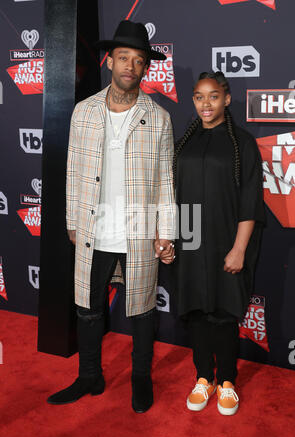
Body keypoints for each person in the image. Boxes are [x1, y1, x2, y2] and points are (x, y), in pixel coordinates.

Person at [47, 20, 175, 413]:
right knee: (88, 308)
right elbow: (72, 170)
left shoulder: (159, 118)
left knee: (142, 311)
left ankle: (140, 377)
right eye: (124, 58)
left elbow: (167, 180)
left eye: (138, 61)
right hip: (93, 229)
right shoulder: (83, 112)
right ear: (110, 60)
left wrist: (166, 231)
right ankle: (90, 376)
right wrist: (71, 220)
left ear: (145, 68)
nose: (130, 67)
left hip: (138, 231)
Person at [173, 71, 264, 415]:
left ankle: (227, 381)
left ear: (227, 99)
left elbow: (250, 200)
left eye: (213, 96)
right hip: (190, 239)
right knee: (196, 310)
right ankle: (202, 377)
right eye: (199, 96)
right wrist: (167, 237)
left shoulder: (243, 143)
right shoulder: (184, 142)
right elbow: (172, 194)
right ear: (193, 100)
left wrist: (239, 248)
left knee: (224, 313)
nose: (206, 103)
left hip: (228, 239)